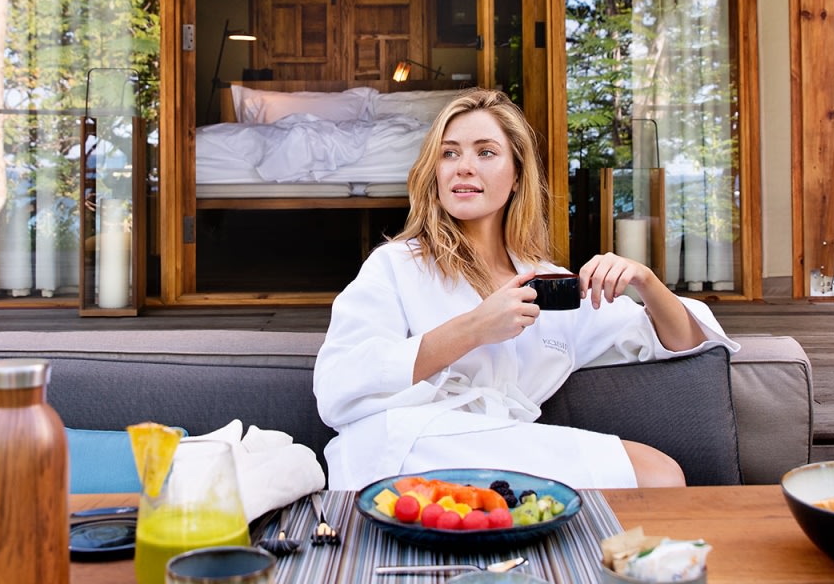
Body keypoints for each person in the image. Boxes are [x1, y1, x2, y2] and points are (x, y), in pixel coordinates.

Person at [313, 88, 737, 491]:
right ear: (435, 172)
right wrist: (475, 328)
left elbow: (684, 339)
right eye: (449, 153)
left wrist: (644, 280)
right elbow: (339, 385)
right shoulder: (396, 266)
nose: (463, 166)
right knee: (654, 475)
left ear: (516, 176)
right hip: (407, 446)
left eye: (486, 152)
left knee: (660, 475)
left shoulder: (548, 282)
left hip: (503, 446)